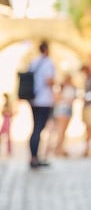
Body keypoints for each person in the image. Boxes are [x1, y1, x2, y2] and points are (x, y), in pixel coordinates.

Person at [27, 40, 56, 168]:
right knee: (39, 128)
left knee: (35, 128)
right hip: (44, 100)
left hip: (33, 99)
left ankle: (34, 156)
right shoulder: (48, 62)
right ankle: (34, 158)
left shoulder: (34, 62)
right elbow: (49, 80)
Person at [51, 73, 77, 157]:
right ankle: (57, 149)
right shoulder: (62, 87)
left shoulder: (73, 88)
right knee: (60, 130)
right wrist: (65, 99)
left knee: (63, 130)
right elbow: (56, 98)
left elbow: (72, 100)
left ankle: (60, 148)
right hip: (62, 109)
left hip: (68, 109)